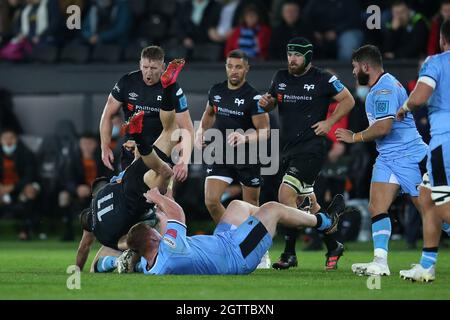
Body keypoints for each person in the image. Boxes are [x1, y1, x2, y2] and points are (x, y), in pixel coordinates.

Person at [76, 60, 186, 272]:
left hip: (137, 197)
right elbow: (136, 165)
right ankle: (168, 87)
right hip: (132, 176)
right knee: (170, 130)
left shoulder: (103, 234)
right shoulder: (104, 193)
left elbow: (87, 248)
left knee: (165, 172)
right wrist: (137, 148)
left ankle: (122, 262)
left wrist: (77, 271)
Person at [258, 37, 355, 270]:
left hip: (312, 148)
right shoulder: (280, 77)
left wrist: (330, 121)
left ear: (308, 57)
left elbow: (348, 100)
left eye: (297, 55)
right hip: (288, 149)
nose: (292, 59)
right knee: (307, 204)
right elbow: (271, 103)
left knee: (285, 194)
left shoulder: (323, 78)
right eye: (290, 54)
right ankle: (333, 243)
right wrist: (266, 103)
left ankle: (289, 253)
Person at [96, 187, 346, 275]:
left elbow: (102, 263)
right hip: (237, 256)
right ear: (153, 238)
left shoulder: (150, 265)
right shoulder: (170, 251)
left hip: (223, 241)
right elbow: (177, 215)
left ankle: (296, 216)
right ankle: (325, 221)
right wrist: (158, 198)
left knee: (237, 205)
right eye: (156, 233)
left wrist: (107, 263)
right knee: (271, 209)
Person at [335, 44, 428, 277]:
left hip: (409, 157)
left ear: (366, 66)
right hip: (388, 157)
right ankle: (380, 262)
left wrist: (354, 137)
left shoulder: (384, 89)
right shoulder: (382, 86)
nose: (354, 73)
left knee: (432, 213)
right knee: (377, 206)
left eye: (356, 67)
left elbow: (384, 127)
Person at [195, 49, 270, 268]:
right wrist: (201, 131)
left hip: (247, 155)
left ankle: (260, 250)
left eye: (238, 67)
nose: (234, 71)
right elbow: (209, 114)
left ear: (247, 68)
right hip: (221, 152)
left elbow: (265, 130)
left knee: (251, 206)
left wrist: (245, 136)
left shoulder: (254, 97)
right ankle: (232, 242)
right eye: (230, 66)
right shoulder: (216, 91)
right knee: (211, 200)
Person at [396, 20, 450, 282]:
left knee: (442, 204)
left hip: (445, 142)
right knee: (426, 197)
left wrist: (405, 106)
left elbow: (419, 97)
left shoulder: (436, 61)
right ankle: (427, 265)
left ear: (442, 40)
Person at [99, 46, 194, 184]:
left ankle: (166, 92)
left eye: (154, 68)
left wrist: (183, 162)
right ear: (140, 64)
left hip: (161, 151)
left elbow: (187, 128)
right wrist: (105, 146)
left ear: (163, 67)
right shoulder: (127, 82)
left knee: (152, 194)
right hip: (132, 151)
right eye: (145, 67)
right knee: (142, 195)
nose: (148, 72)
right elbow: (107, 114)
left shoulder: (175, 88)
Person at [0, 128, 40, 240]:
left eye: (11, 138)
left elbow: (29, 175)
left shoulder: (26, 153)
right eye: (5, 138)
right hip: (2, 190)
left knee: (30, 191)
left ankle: (25, 230)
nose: (8, 141)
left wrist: (13, 187)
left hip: (20, 188)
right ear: (0, 141)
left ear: (16, 140)